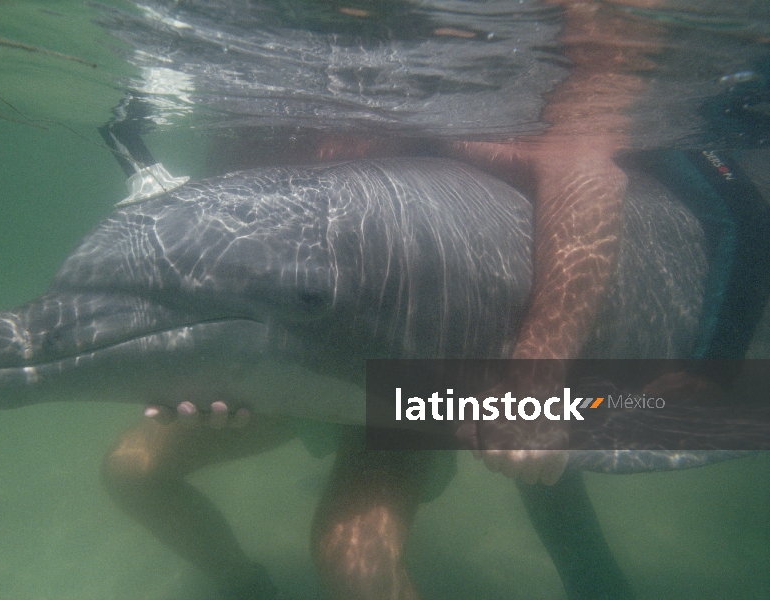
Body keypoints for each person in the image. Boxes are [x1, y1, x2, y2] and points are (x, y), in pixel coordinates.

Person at [101, 1, 669, 598]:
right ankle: (246, 587)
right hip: (297, 371)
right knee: (132, 473)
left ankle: (590, 567)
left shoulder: (431, 114)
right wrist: (204, 370)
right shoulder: (251, 128)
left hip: (412, 381)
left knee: (354, 563)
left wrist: (538, 372)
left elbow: (587, 173)